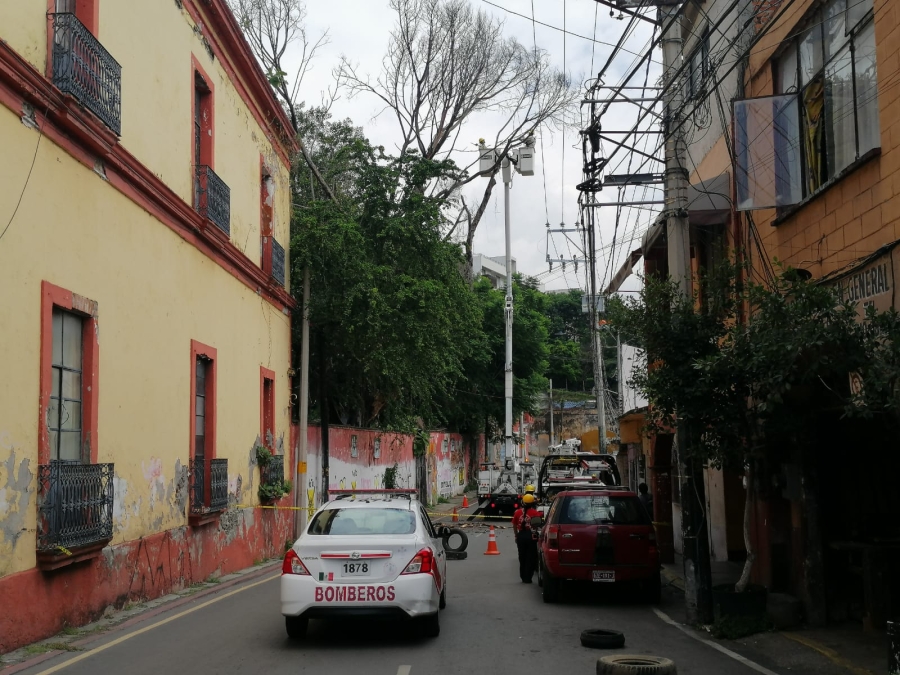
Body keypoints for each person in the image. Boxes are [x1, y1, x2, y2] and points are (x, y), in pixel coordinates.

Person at [513, 493, 541, 583]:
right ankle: (528, 577)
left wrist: (516, 535)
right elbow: (537, 525)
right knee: (531, 557)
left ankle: (523, 576)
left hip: (521, 536)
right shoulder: (535, 513)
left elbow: (514, 524)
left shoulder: (517, 512)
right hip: (531, 536)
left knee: (522, 556)